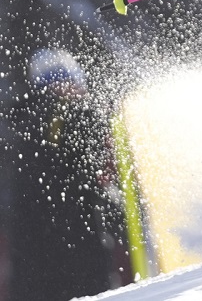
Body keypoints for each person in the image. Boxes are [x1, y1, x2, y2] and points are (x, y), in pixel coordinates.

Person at [2, 48, 134, 300]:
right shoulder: (65, 114)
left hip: (36, 263)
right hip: (73, 257)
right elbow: (89, 179)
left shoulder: (26, 120)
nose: (77, 91)